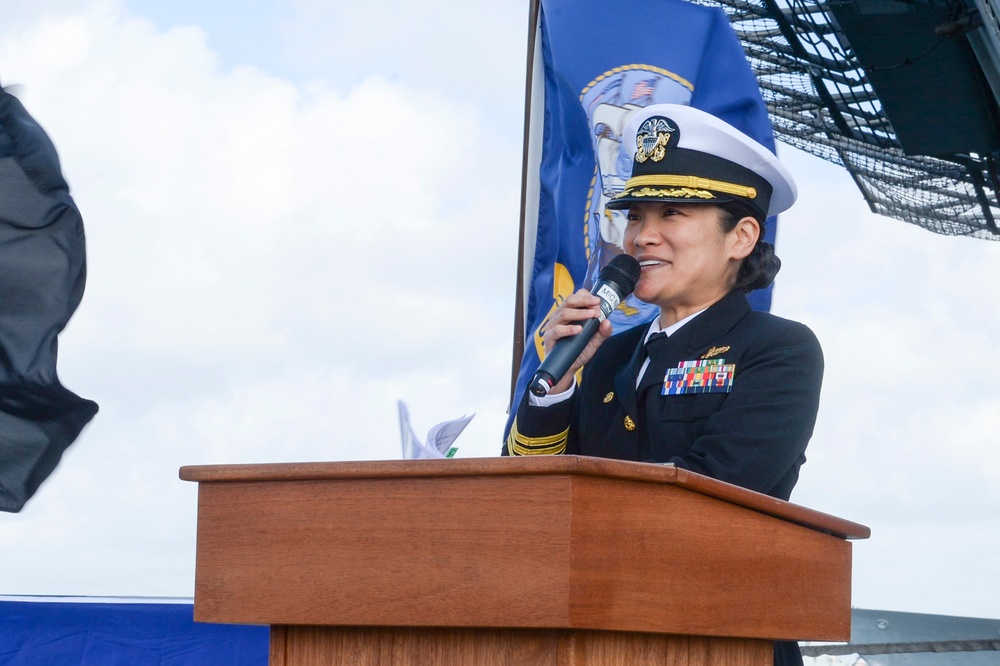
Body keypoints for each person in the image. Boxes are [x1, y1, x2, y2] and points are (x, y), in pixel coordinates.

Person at [503, 103, 822, 666]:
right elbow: (525, 494)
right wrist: (555, 384)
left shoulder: (777, 350)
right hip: (593, 635)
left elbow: (719, 489)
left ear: (742, 236)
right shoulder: (607, 354)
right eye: (633, 218)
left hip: (716, 636)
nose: (641, 238)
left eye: (671, 214)